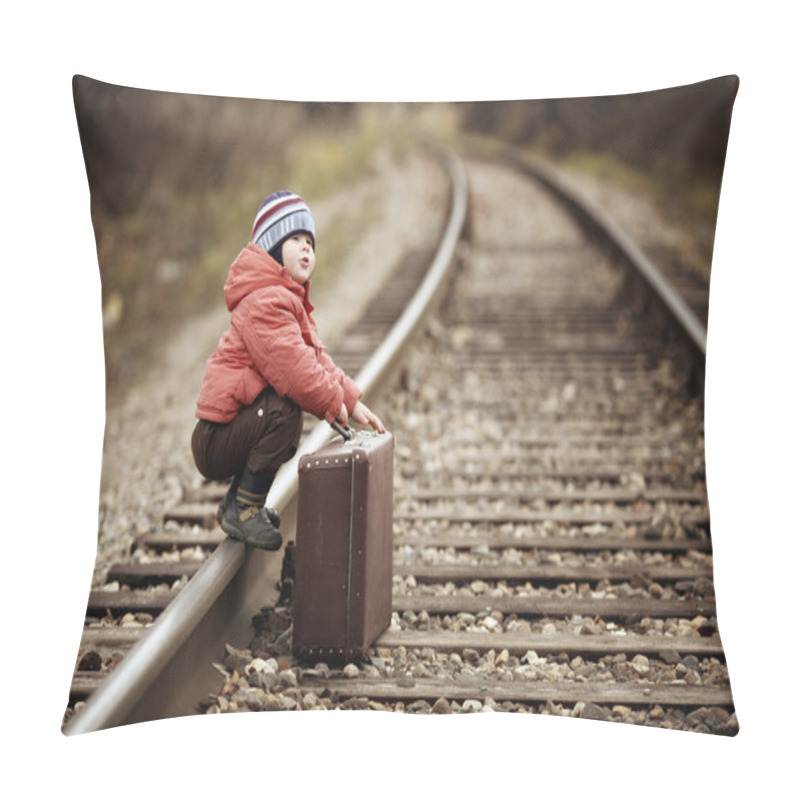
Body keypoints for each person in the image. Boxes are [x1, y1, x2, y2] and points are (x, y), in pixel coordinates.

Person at [191, 191, 385, 550]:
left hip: (228, 430)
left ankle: (239, 502)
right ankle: (244, 509)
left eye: (310, 241)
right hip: (216, 440)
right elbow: (296, 372)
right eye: (294, 240)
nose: (305, 248)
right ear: (271, 249)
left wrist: (349, 398)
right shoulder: (266, 302)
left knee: (282, 410)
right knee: (285, 411)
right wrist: (330, 401)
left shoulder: (284, 297)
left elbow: (313, 359)